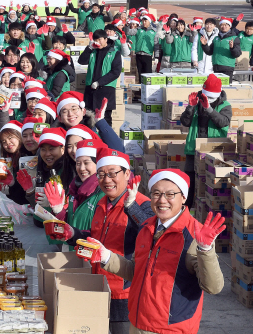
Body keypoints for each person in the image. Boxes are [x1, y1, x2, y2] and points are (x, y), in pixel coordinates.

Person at [91, 169, 225, 334]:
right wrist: (106, 257)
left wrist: (206, 249)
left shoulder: (193, 235)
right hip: (138, 323)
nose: (162, 200)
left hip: (170, 329)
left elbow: (213, 286)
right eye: (156, 193)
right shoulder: (147, 228)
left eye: (170, 194)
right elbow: (136, 272)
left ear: (183, 197)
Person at [45, 148, 154, 334]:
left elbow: (151, 234)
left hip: (124, 291)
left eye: (113, 174)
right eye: (102, 174)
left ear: (127, 174)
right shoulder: (101, 203)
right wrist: (73, 234)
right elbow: (97, 237)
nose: (107, 180)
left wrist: (131, 206)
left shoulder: (143, 204)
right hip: (98, 283)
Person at [180, 74, 231, 208]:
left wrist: (209, 109)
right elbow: (185, 122)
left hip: (213, 150)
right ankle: (187, 210)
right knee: (190, 182)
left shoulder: (225, 105)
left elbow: (223, 122)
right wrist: (190, 107)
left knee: (209, 181)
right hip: (193, 148)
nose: (209, 99)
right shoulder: (196, 102)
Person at [78, 30, 122, 125]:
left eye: (100, 39)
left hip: (106, 89)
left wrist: (99, 82)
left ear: (106, 39)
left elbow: (115, 72)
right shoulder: (92, 51)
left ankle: (106, 139)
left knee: (105, 118)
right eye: (95, 39)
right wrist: (89, 48)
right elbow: (81, 61)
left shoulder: (115, 52)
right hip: (90, 90)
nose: (98, 41)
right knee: (88, 118)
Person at [126, 14, 158, 82]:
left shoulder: (154, 31)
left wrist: (156, 57)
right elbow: (129, 32)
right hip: (138, 54)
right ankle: (141, 89)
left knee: (148, 73)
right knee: (140, 73)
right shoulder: (138, 29)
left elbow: (156, 44)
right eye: (143, 21)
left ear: (149, 21)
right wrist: (127, 25)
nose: (144, 22)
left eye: (145, 21)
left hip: (148, 55)